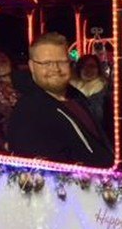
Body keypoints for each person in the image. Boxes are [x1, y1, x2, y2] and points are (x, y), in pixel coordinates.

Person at [7, 33, 112, 166]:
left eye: (61, 61)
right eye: (47, 63)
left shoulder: (76, 97)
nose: (55, 69)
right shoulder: (29, 112)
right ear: (32, 66)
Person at [0, 51, 20, 151]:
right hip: (6, 141)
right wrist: (3, 143)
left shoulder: (22, 85)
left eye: (3, 61)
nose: (0, 64)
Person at [72, 54, 108, 125]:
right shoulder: (72, 91)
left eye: (92, 66)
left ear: (98, 69)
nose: (87, 69)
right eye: (83, 66)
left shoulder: (104, 92)